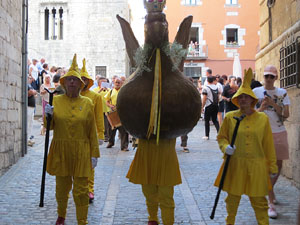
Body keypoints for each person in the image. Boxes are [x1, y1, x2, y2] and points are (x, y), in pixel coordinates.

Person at [215, 68, 278, 225]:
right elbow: (221, 137)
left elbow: (268, 144)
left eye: (246, 97)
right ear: (236, 99)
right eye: (240, 97)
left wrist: (272, 167)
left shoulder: (262, 118)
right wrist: (225, 147)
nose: (243, 99)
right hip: (236, 164)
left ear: (252, 99)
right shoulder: (230, 118)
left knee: (259, 202)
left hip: (257, 165)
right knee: (232, 201)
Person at [44, 54, 99, 225]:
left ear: (81, 84)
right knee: (61, 187)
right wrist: (48, 116)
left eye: (75, 80)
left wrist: (94, 153)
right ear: (64, 83)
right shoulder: (57, 101)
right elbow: (50, 127)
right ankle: (61, 215)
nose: (73, 82)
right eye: (69, 80)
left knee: (82, 190)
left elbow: (92, 130)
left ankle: (82, 220)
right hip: (61, 150)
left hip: (82, 151)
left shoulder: (88, 103)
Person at [253, 65, 290, 219]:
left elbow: (286, 114)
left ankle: (270, 190)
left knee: (278, 165)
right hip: (262, 134)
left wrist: (274, 104)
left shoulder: (282, 93)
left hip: (279, 132)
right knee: (267, 167)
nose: (268, 79)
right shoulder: (256, 92)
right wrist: (261, 107)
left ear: (276, 78)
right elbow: (249, 114)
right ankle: (270, 203)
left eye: (272, 77)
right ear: (263, 76)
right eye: (267, 76)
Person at [127, 138, 181, 225]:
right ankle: (152, 218)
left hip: (166, 153)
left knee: (166, 195)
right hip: (146, 153)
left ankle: (167, 223)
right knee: (149, 193)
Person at [80, 58, 105, 203]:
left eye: (85, 79)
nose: (82, 82)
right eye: (80, 79)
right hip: (75, 135)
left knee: (90, 164)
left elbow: (99, 117)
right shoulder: (72, 96)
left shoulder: (96, 96)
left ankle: (89, 189)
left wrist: (100, 135)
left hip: (90, 136)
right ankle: (75, 187)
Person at [104, 77, 129, 151]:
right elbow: (107, 101)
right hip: (112, 113)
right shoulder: (111, 91)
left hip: (122, 113)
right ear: (114, 83)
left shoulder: (124, 91)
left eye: (119, 82)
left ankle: (124, 146)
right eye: (116, 82)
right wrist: (111, 106)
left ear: (121, 83)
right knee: (111, 130)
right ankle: (111, 142)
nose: (117, 84)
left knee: (123, 131)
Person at [201, 76, 220, 140]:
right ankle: (219, 134)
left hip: (209, 105)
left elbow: (204, 98)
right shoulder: (216, 87)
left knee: (207, 121)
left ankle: (207, 135)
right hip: (215, 105)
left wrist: (202, 106)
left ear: (207, 81)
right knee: (215, 120)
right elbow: (218, 96)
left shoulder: (206, 88)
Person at [93, 77, 111, 142]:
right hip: (98, 109)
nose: (104, 84)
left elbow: (112, 96)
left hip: (107, 109)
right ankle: (100, 135)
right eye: (103, 82)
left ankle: (107, 136)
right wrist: (100, 90)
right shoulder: (95, 90)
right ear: (99, 83)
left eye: (106, 82)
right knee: (100, 123)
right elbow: (94, 96)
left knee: (107, 124)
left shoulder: (109, 90)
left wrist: (108, 90)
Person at [27, 75, 37, 147]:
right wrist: (33, 92)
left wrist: (33, 92)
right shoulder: (27, 85)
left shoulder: (29, 85)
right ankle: (27, 138)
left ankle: (29, 136)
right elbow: (30, 92)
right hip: (28, 107)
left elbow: (34, 93)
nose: (31, 79)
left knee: (31, 122)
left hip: (31, 107)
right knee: (28, 122)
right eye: (30, 78)